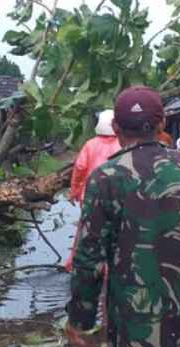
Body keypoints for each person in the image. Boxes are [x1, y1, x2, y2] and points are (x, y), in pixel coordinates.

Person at [65, 86, 180, 347]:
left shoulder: (105, 178)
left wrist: (81, 317)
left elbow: (89, 258)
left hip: (135, 331)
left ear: (116, 127)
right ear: (162, 122)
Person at [66, 109, 121, 272]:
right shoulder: (122, 144)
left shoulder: (90, 145)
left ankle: (75, 265)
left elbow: (80, 168)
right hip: (116, 197)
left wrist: (75, 191)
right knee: (115, 233)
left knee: (85, 231)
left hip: (90, 196)